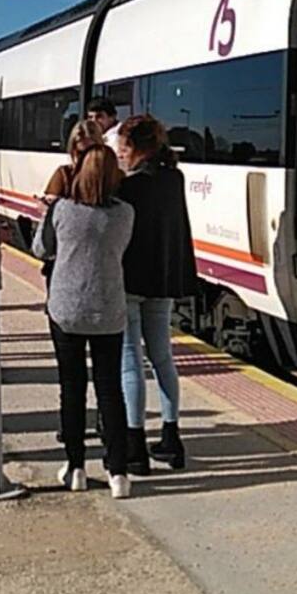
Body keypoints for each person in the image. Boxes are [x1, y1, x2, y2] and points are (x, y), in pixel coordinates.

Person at [33, 145, 134, 499]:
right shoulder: (126, 214)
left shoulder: (62, 209)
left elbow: (40, 249)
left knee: (72, 387)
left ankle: (75, 467)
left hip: (66, 309)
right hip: (108, 309)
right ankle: (118, 472)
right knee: (110, 389)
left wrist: (47, 219)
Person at [116, 114, 196, 474]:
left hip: (130, 281)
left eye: (122, 147)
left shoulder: (128, 186)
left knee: (130, 359)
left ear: (134, 147)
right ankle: (171, 436)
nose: (119, 153)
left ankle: (135, 444)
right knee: (163, 356)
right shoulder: (174, 179)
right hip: (162, 279)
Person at [42, 119, 104, 205]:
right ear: (73, 151)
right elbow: (49, 203)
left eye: (90, 152)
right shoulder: (64, 173)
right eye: (81, 153)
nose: (86, 158)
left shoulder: (111, 174)